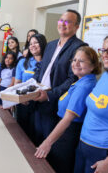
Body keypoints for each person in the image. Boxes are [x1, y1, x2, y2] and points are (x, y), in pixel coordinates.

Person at [35, 46, 101, 173]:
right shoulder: (80, 81)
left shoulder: (84, 86)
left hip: (68, 133)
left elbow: (67, 119)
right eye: (74, 60)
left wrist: (47, 142)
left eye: (81, 61)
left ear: (93, 66)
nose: (75, 64)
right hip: (64, 131)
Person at [32, 9, 87, 147]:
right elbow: (41, 69)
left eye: (68, 21)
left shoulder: (79, 47)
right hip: (38, 99)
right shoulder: (51, 45)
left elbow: (72, 80)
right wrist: (29, 88)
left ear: (76, 27)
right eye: (61, 20)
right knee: (35, 139)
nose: (63, 24)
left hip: (55, 104)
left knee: (49, 146)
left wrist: (49, 95)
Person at [74, 33, 108, 173]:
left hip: (105, 154)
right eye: (103, 50)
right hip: (84, 145)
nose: (105, 54)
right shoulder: (105, 76)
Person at [15, 33, 47, 141]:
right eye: (30, 43)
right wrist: (20, 98)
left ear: (42, 43)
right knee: (21, 132)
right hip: (25, 102)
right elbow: (17, 82)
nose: (32, 45)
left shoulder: (49, 63)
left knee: (37, 134)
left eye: (36, 42)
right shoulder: (23, 62)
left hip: (43, 103)